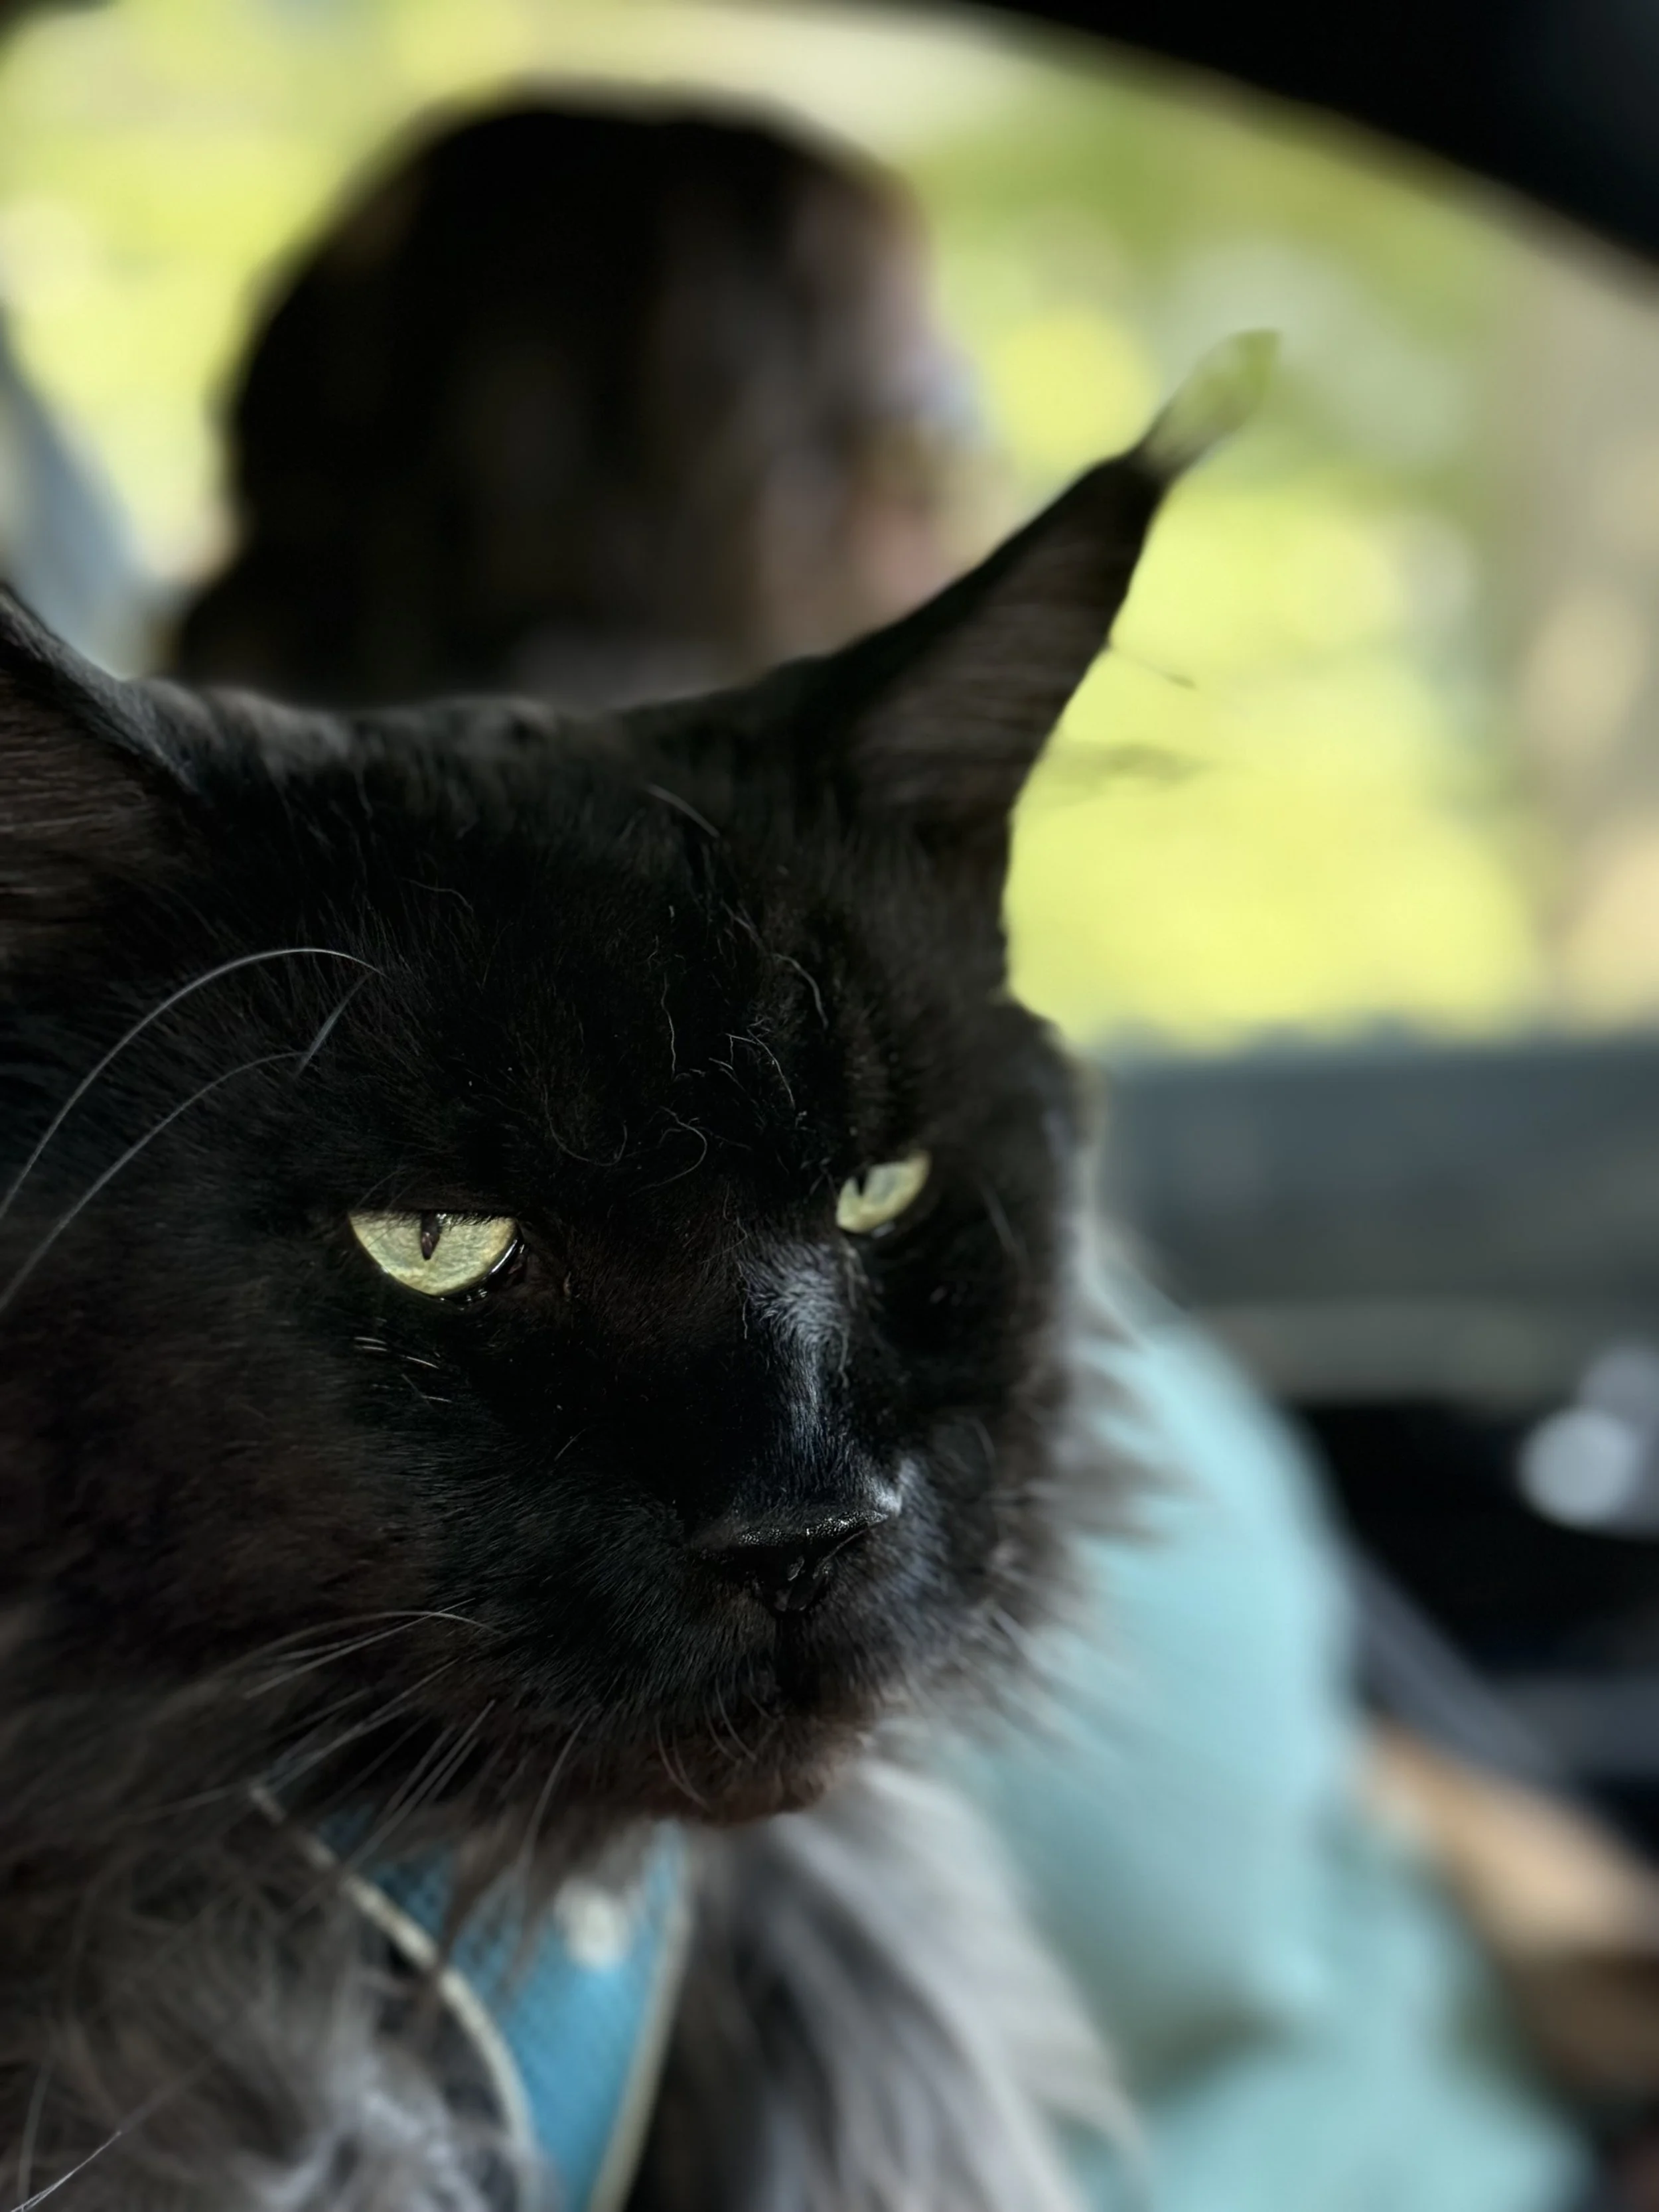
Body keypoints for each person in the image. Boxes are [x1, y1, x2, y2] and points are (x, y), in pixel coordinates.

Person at [172, 96, 1599, 2212]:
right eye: (925, 416)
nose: (963, 501)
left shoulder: (813, 1000)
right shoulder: (417, 1098)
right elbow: (1101, 1866)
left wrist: (1476, 1854)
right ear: (712, 473)